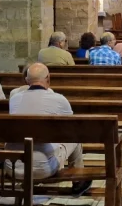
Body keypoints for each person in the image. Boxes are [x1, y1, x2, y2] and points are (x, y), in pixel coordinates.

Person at [9, 63, 90, 194]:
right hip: (44, 167)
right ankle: (78, 181)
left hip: (13, 166)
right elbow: (71, 127)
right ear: (49, 79)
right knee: (75, 137)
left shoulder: (14, 99)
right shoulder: (59, 99)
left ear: (26, 81)